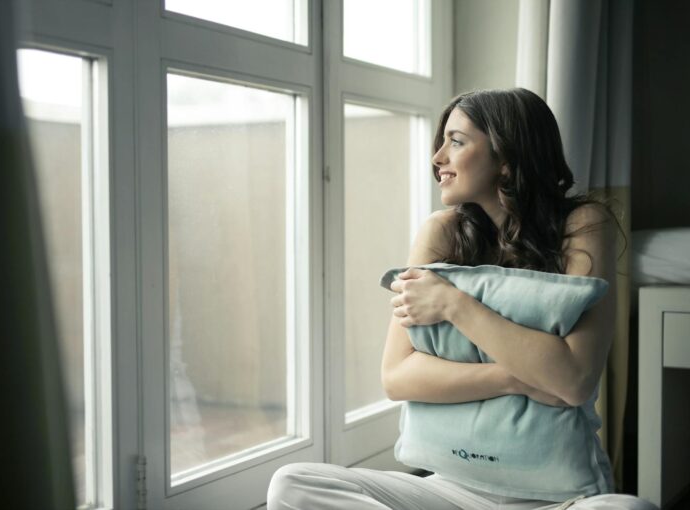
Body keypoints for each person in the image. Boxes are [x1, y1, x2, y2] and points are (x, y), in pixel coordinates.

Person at [266, 88, 658, 510]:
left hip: (558, 499)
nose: (438, 157)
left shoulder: (582, 224)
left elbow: (575, 381)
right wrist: (517, 378)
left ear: (506, 157)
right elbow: (397, 377)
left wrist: (454, 304)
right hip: (447, 490)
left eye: (456, 141)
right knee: (293, 483)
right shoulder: (441, 232)